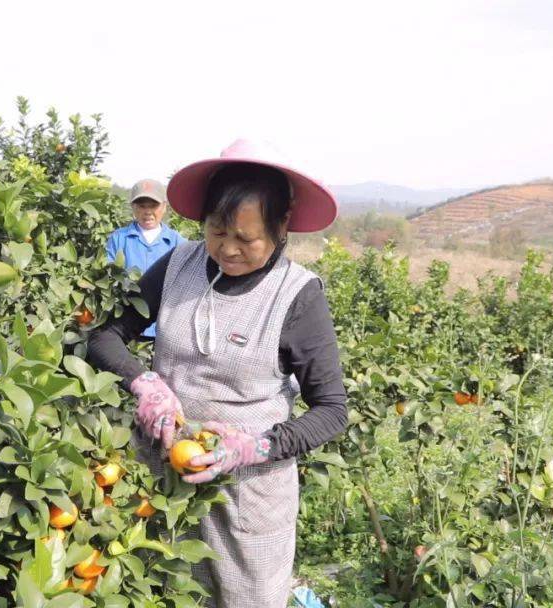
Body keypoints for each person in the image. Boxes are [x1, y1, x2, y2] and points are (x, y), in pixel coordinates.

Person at [87, 139, 348, 607]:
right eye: (215, 231)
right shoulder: (177, 265)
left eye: (246, 239)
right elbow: (105, 335)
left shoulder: (297, 295)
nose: (227, 250)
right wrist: (144, 382)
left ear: (282, 226)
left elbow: (331, 410)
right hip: (163, 479)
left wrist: (256, 445)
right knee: (165, 591)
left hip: (248, 495)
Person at [105, 178, 185, 337]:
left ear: (164, 207)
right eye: (141, 206)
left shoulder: (178, 243)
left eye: (153, 205)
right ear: (133, 208)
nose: (147, 211)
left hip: (163, 331)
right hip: (125, 326)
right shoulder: (119, 239)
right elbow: (107, 278)